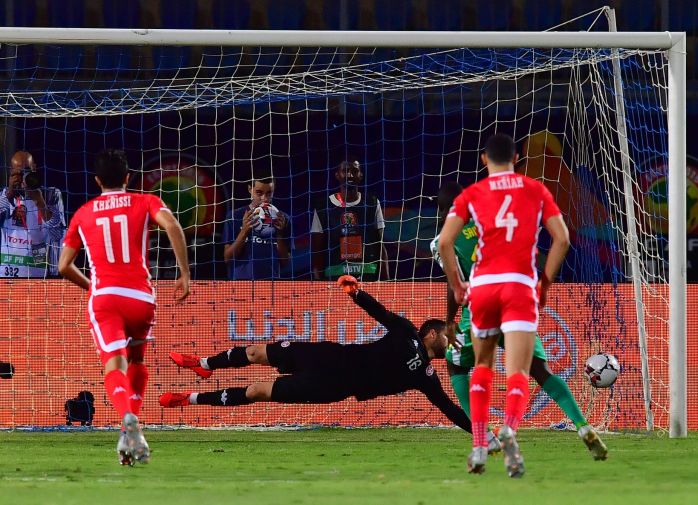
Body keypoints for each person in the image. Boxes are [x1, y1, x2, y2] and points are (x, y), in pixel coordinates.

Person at [161, 275, 498, 451]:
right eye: (448, 335)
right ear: (430, 333)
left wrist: (480, 434)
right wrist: (356, 293)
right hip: (331, 353)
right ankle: (203, 363)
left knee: (256, 391)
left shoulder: (426, 376)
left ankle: (187, 399)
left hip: (332, 386)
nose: (452, 342)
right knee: (257, 352)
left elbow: (450, 410)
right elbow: (379, 312)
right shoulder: (406, 330)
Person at [431, 181, 607, 462]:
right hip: (517, 300)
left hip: (481, 304)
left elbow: (455, 285)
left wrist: (450, 321)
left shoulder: (445, 239)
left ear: (443, 210)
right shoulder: (494, 224)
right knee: (539, 370)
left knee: (456, 365)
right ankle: (582, 425)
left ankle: (485, 438)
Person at [437, 133, 570, 477]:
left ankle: (480, 444)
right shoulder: (534, 190)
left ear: (484, 159)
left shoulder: (472, 195)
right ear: (517, 157)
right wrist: (544, 283)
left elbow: (446, 242)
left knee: (480, 366)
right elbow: (562, 239)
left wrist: (457, 286)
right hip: (520, 286)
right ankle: (510, 427)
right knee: (520, 372)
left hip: (481, 290)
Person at [58, 149, 191, 466]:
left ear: (97, 180)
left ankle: (129, 420)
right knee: (137, 360)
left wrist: (93, 288)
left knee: (113, 367)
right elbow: (172, 226)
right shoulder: (145, 201)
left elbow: (63, 265)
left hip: (107, 298)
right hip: (141, 298)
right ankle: (129, 431)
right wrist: (184, 273)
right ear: (128, 178)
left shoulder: (84, 212)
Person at [311, 159, 389, 281]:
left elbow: (380, 246)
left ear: (361, 175)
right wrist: (318, 284)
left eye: (355, 171)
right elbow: (317, 252)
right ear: (337, 175)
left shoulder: (372, 203)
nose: (350, 175)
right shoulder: (323, 207)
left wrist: (386, 281)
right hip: (335, 280)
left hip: (367, 277)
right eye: (345, 171)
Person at [0, 151, 65, 278]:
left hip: (43, 275)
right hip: (6, 276)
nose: (24, 177)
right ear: (10, 172)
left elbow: (57, 234)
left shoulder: (51, 194)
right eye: (19, 173)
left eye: (27, 172)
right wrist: (10, 194)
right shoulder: (4, 195)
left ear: (34, 168)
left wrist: (39, 201)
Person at [223, 175, 291, 280]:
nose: (264, 198)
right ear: (250, 189)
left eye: (269, 193)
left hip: (272, 283)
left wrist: (280, 234)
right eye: (259, 193)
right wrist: (244, 231)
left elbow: (285, 261)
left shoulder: (282, 218)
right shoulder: (234, 216)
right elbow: (228, 258)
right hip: (241, 283)